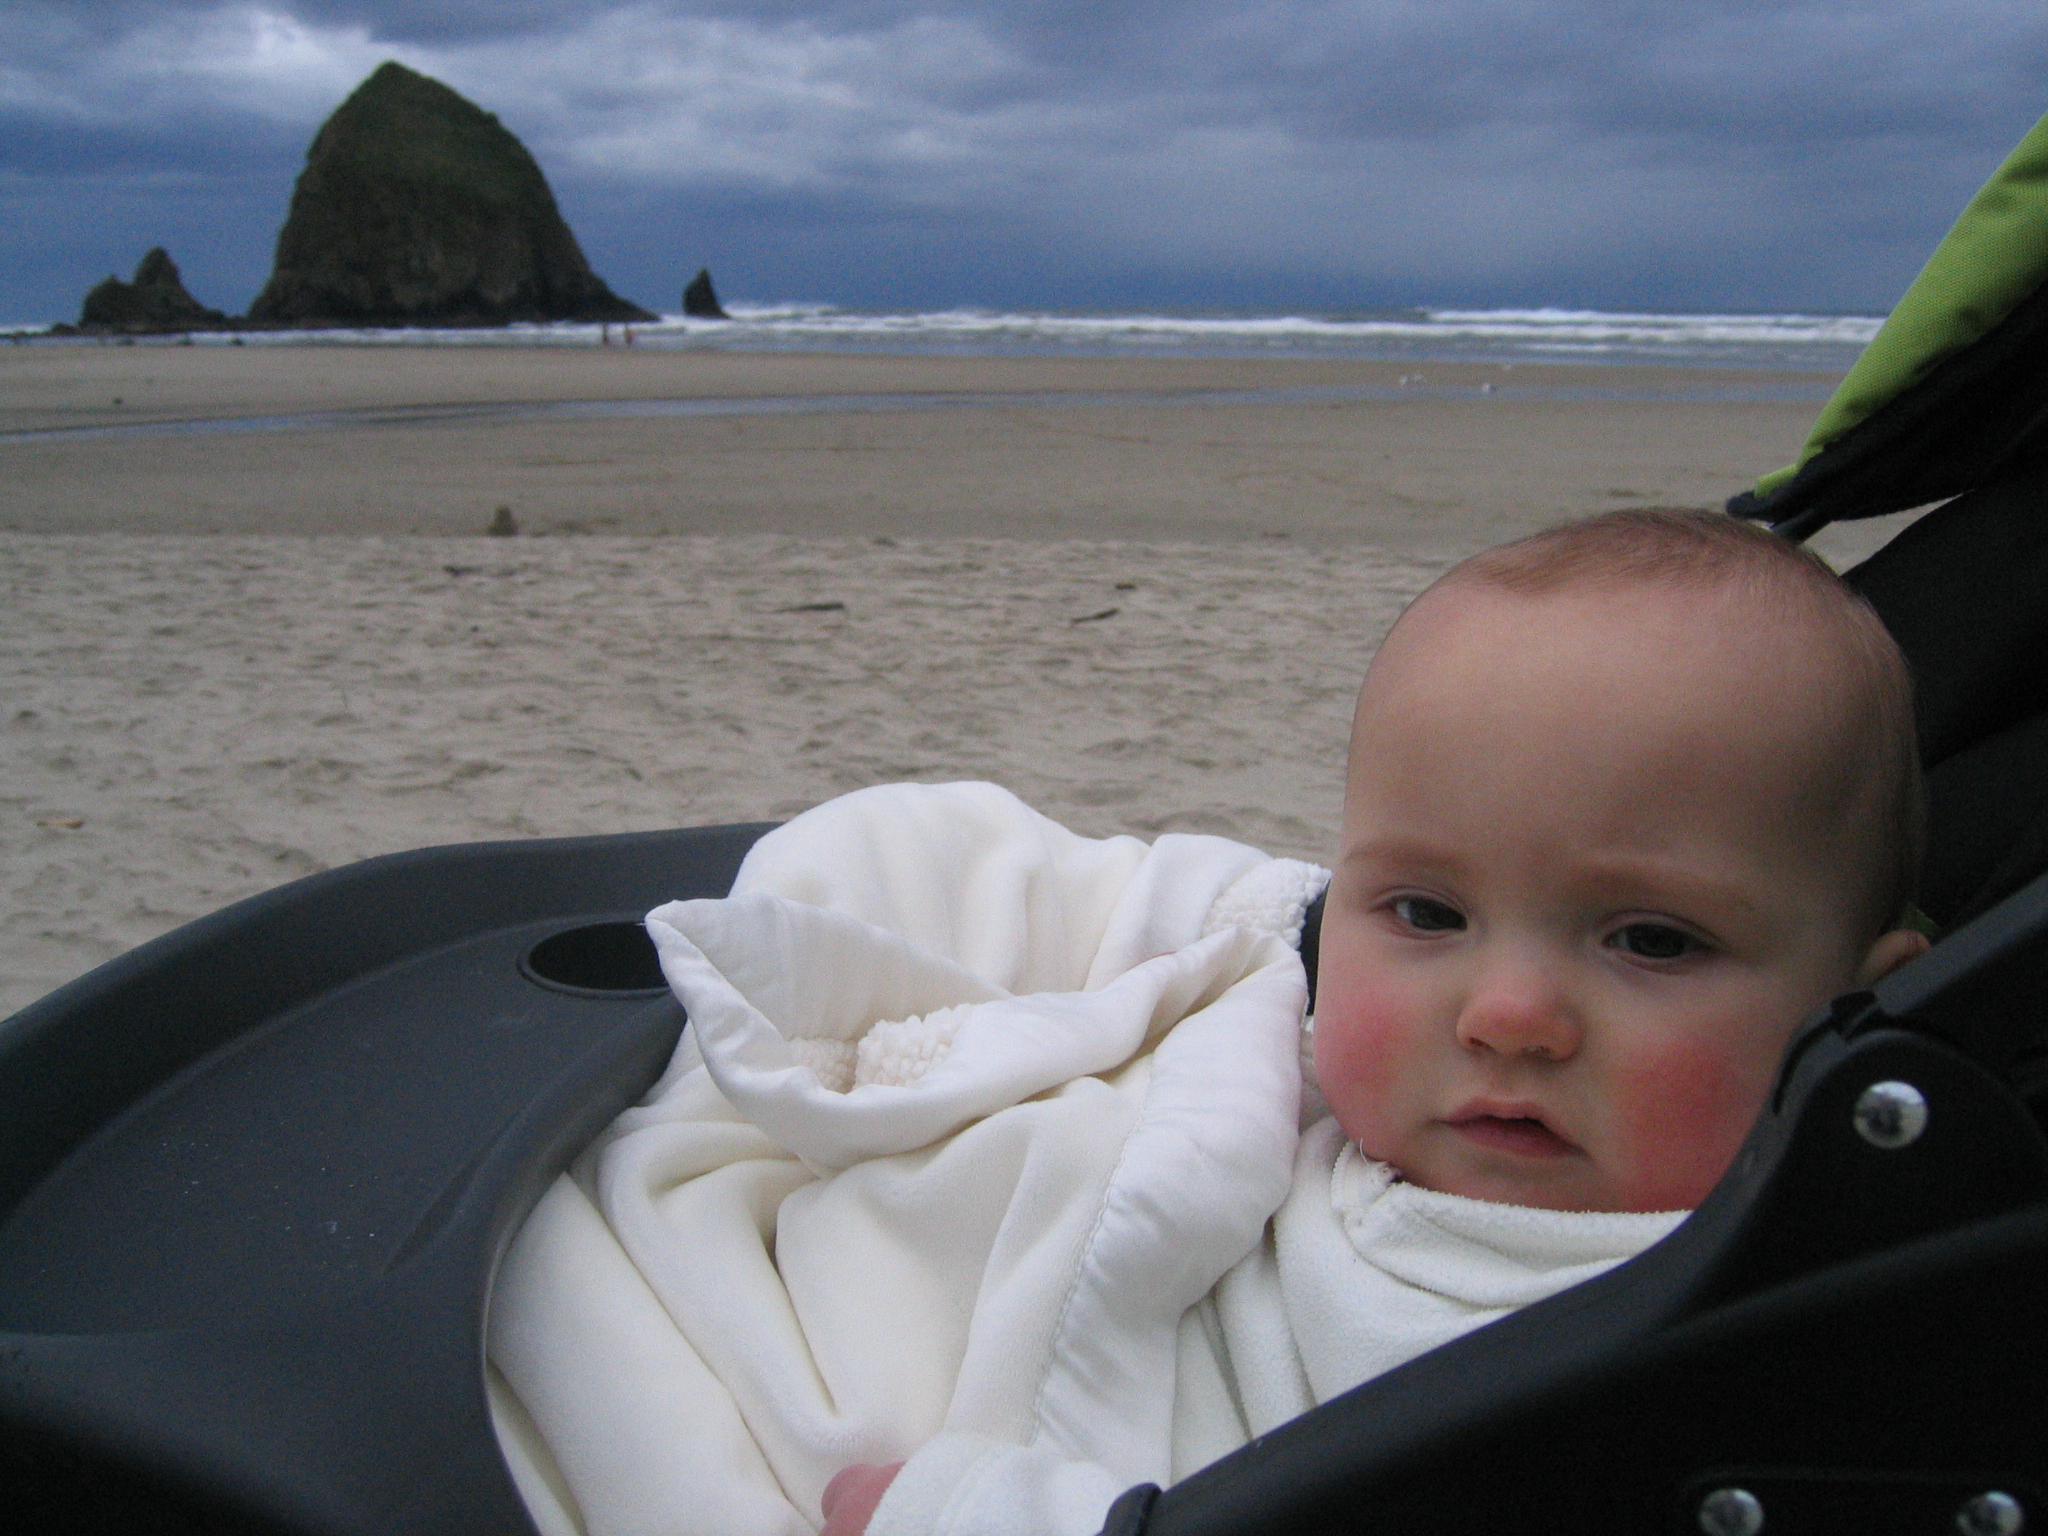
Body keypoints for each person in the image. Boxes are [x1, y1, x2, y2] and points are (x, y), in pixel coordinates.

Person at [488, 510, 1930, 1536]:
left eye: (1651, 940)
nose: (1505, 1013)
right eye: (1426, 913)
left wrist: (974, 1513)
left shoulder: (1655, 1320)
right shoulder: (1363, 1051)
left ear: (1866, 1003)